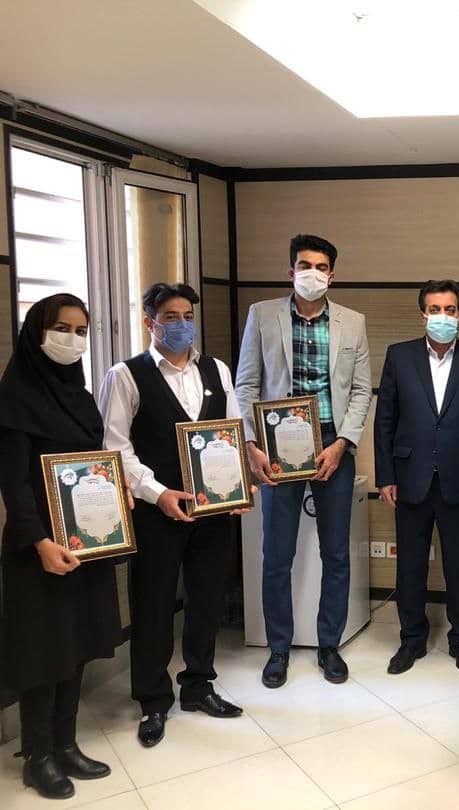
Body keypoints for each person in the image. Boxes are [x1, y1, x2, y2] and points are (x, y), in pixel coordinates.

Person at [98, 283, 249, 748]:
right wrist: (158, 492)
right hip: (156, 511)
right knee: (154, 604)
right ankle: (153, 699)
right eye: (170, 316)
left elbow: (232, 430)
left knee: (207, 599)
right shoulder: (125, 376)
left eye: (187, 316)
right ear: (150, 322)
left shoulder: (217, 369)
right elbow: (115, 448)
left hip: (211, 509)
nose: (182, 324)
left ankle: (199, 685)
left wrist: (242, 476)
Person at [234, 234, 372, 690]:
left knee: (336, 553)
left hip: (333, 446)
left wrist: (343, 442)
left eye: (321, 266)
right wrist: (251, 444)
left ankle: (329, 644)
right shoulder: (262, 315)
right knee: (277, 554)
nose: (312, 273)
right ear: (290, 270)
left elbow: (360, 390)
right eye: (304, 265)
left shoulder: (353, 322)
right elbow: (246, 384)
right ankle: (278, 648)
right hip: (276, 448)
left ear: (333, 274)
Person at [0, 295, 122, 799]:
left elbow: (93, 462)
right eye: (62, 328)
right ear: (37, 331)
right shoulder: (15, 395)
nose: (72, 340)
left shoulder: (80, 394)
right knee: (44, 651)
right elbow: (14, 484)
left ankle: (66, 743)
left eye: (81, 331)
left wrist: (113, 502)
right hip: (40, 547)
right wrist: (39, 542)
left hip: (84, 537)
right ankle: (39, 756)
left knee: (77, 643)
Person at [374, 280, 459, 675]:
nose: (442, 316)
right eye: (434, 309)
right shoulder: (399, 356)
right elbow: (385, 421)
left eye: (449, 309)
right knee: (410, 566)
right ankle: (411, 639)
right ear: (422, 314)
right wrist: (385, 475)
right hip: (409, 478)